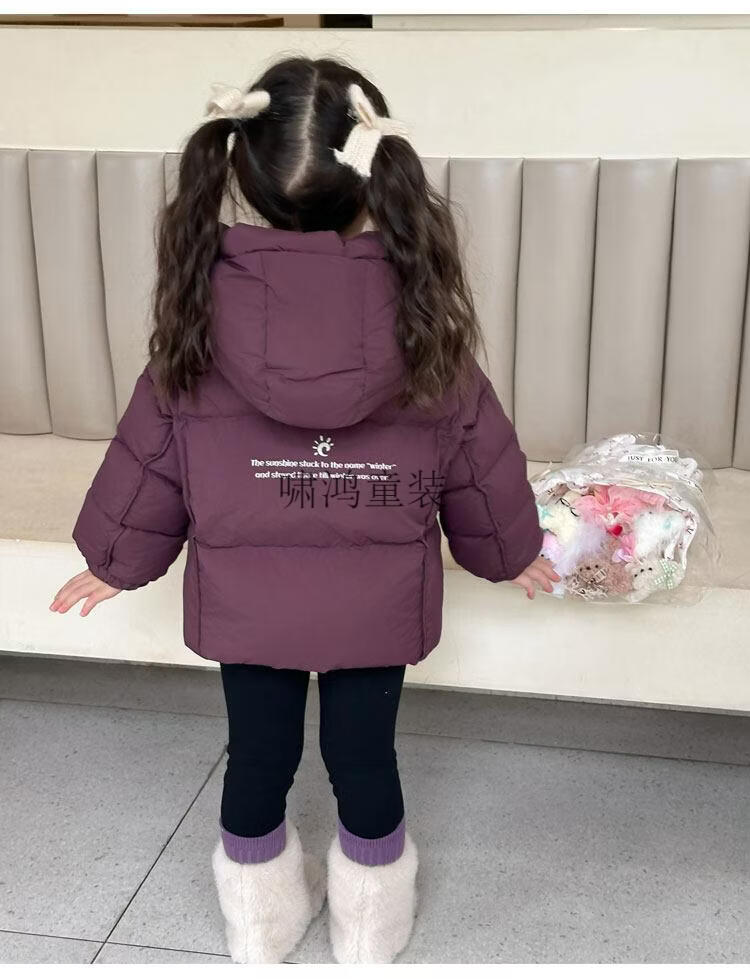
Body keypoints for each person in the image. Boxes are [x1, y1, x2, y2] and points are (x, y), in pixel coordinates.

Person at [50, 56, 558, 965]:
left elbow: (151, 456)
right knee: (365, 761)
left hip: (248, 607)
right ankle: (369, 934)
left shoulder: (195, 316)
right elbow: (480, 466)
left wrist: (112, 559)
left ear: (241, 172)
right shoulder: (429, 323)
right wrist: (512, 550)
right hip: (376, 607)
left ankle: (259, 926)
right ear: (375, 176)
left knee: (257, 758)